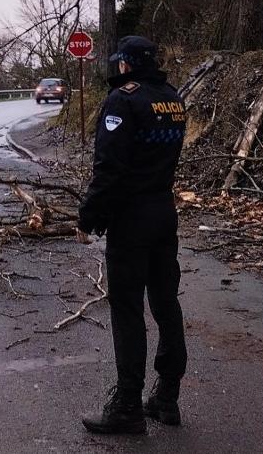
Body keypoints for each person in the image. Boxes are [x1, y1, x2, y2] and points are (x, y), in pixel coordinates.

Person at [77, 35, 188, 435]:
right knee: (165, 302)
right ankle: (167, 396)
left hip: (132, 217)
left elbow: (110, 168)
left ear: (125, 64)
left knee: (127, 308)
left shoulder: (123, 101)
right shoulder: (172, 98)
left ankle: (127, 404)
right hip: (164, 210)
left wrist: (89, 216)